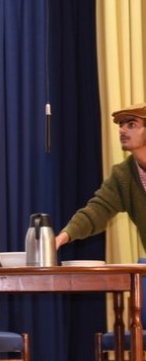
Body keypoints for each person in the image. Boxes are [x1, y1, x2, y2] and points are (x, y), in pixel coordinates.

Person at [56, 102, 146, 250]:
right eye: (121, 125)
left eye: (131, 125)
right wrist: (62, 237)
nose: (122, 130)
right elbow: (97, 210)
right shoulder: (123, 175)